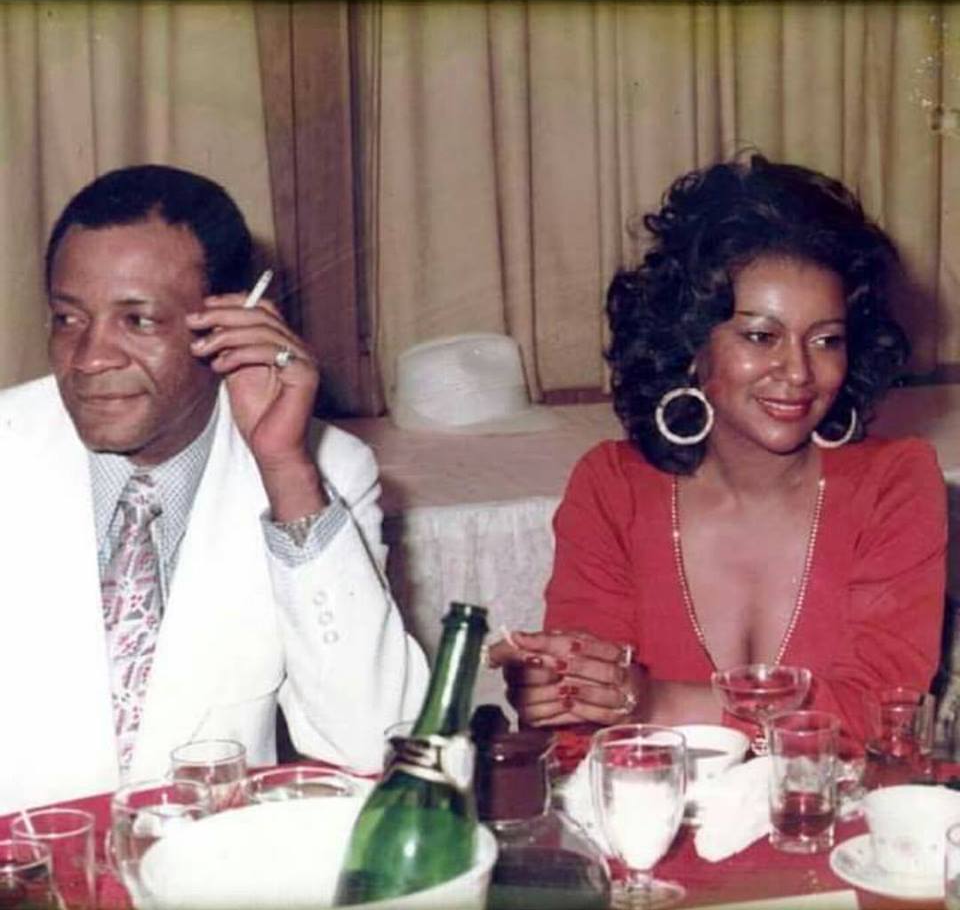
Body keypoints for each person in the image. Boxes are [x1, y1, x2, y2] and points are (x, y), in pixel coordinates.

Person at [0, 164, 429, 813]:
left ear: (236, 319)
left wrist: (284, 469)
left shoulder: (324, 471)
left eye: (138, 321)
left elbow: (373, 744)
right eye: (67, 319)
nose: (89, 359)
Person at [489, 154, 947, 745]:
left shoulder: (895, 481)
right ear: (689, 342)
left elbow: (885, 715)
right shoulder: (613, 488)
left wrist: (652, 700)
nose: (798, 372)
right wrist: (560, 690)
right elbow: (584, 733)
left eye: (826, 340)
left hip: (836, 828)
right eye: (760, 336)